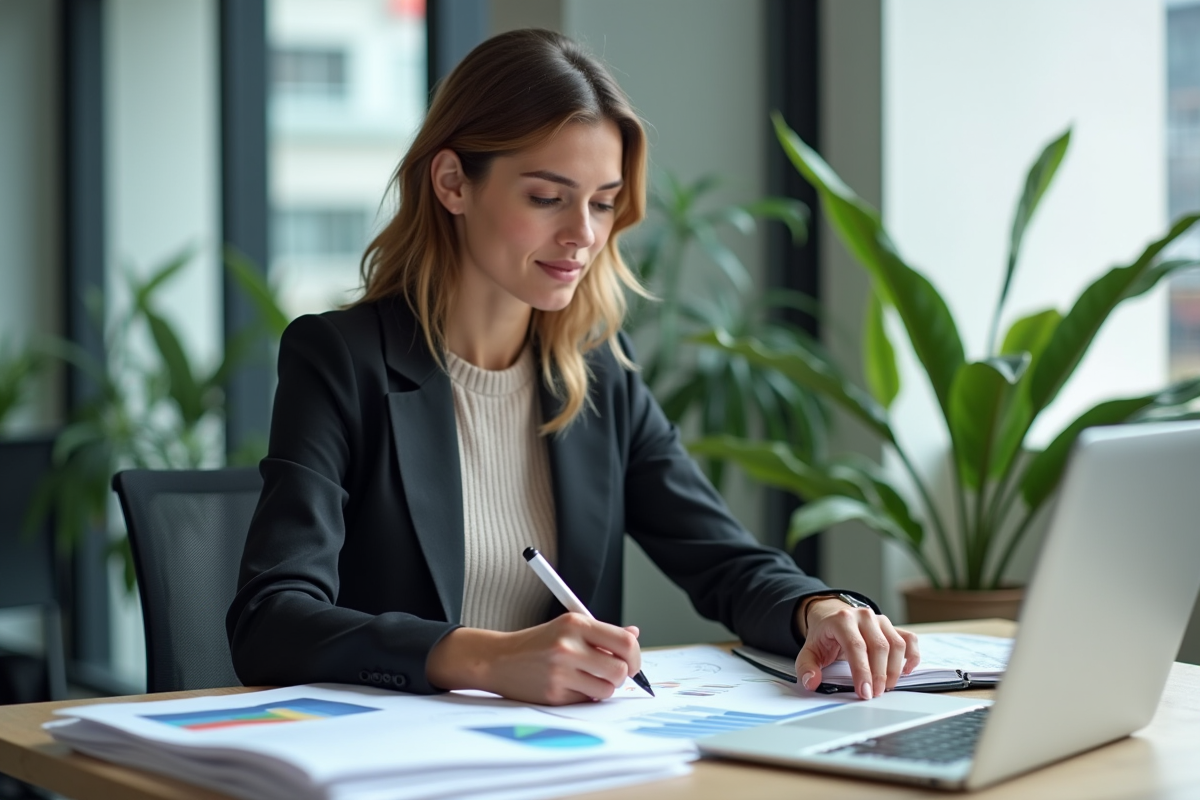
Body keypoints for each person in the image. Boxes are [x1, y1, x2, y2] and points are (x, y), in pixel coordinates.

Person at [226, 28, 918, 707]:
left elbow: (725, 559)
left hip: (561, 760)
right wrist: (488, 658)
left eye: (603, 202)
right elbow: (271, 620)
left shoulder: (598, 376)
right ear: (452, 183)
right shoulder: (341, 361)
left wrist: (818, 609)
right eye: (546, 197)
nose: (583, 235)